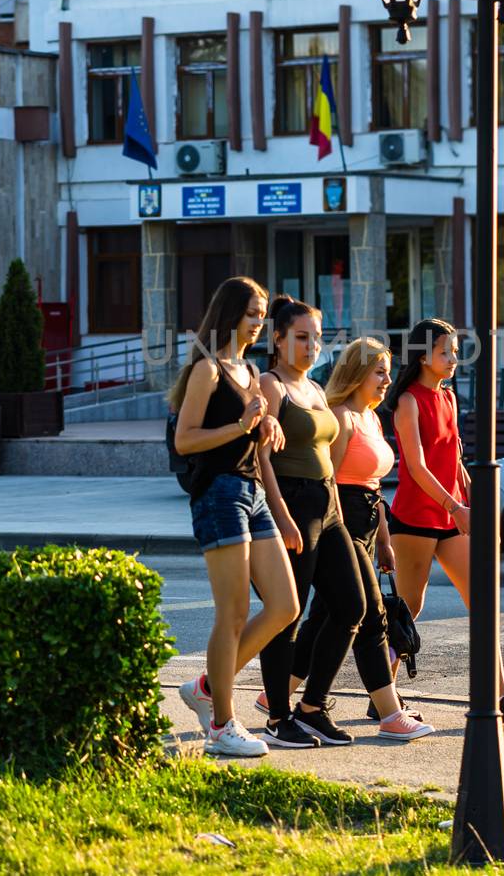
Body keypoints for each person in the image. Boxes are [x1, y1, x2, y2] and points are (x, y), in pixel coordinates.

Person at [259, 337, 435, 742]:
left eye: (388, 371)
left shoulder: (371, 417)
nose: (387, 380)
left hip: (368, 524)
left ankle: (284, 700)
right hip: (339, 521)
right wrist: (331, 532)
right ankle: (388, 713)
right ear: (356, 373)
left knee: (328, 617)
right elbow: (330, 480)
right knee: (369, 614)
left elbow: (375, 485)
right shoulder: (340, 417)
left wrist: (386, 540)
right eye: (379, 371)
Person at [389, 318, 504, 723]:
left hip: (450, 515)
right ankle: (383, 695)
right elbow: (416, 466)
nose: (454, 359)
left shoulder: (447, 398)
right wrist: (454, 506)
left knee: (482, 600)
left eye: (456, 352)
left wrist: (469, 503)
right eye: (446, 352)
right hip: (415, 517)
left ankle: (500, 697)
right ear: (424, 356)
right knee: (408, 608)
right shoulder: (408, 401)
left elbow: (454, 459)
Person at [171, 277, 297, 758]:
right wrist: (240, 425)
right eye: (253, 314)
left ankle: (206, 688)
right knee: (234, 611)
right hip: (218, 493)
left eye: (262, 314)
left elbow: (243, 430)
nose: (260, 322)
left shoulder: (248, 370)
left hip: (252, 490)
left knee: (284, 605)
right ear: (230, 315)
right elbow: (186, 441)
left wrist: (263, 428)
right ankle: (221, 724)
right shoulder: (207, 370)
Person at [252, 296, 367, 747]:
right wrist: (281, 517)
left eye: (317, 338)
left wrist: (336, 508)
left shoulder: (316, 389)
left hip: (329, 505)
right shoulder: (271, 384)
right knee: (287, 616)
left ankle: (312, 707)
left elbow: (326, 454)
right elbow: (262, 458)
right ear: (277, 339)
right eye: (302, 338)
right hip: (292, 506)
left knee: (351, 606)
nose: (311, 346)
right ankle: (278, 718)